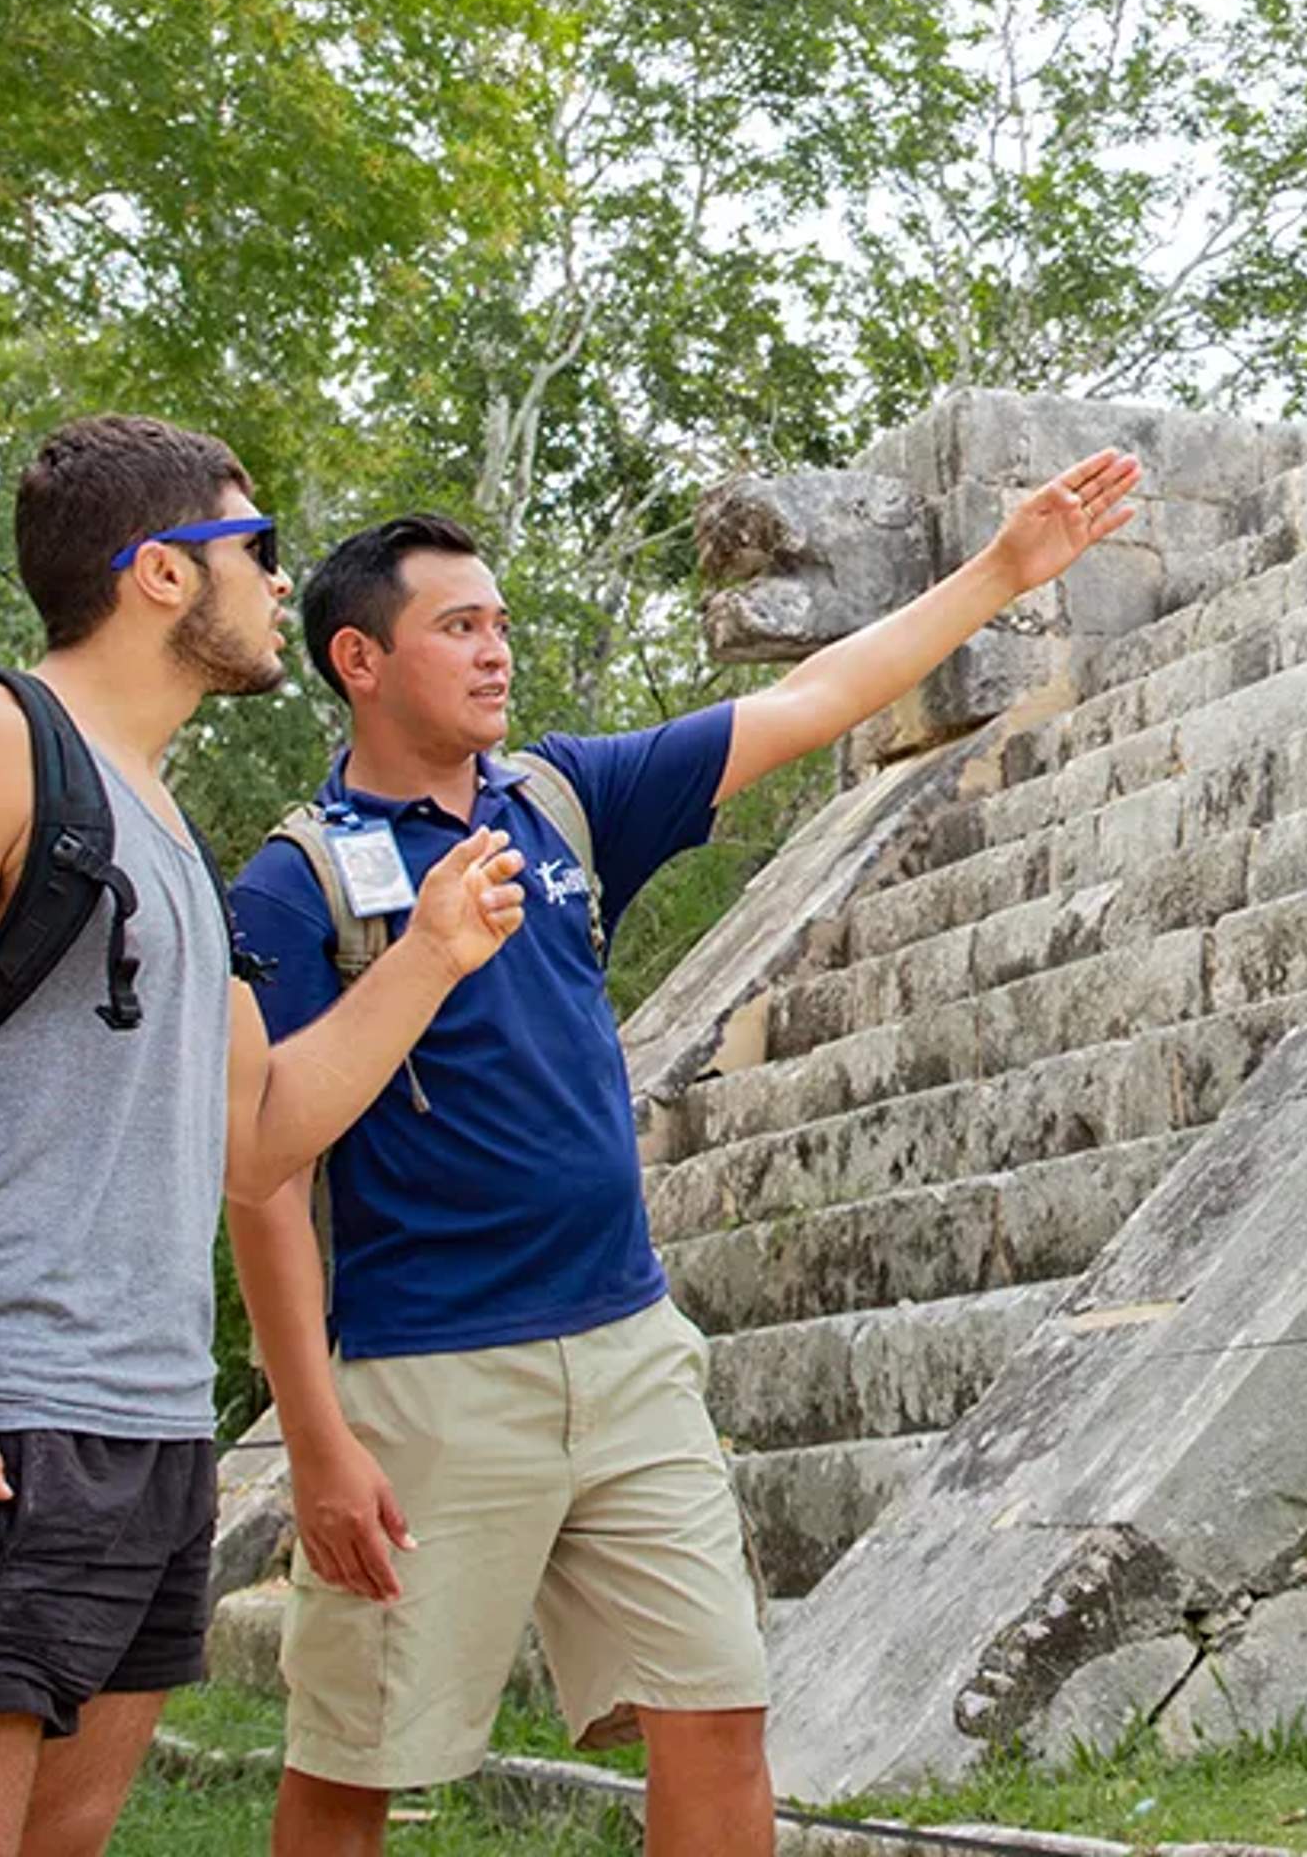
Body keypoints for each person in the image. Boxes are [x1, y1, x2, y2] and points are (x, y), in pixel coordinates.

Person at [230, 449, 1144, 1857]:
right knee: (361, 1765)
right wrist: (316, 1438)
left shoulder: (562, 802)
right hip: (427, 1376)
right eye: (456, 627)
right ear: (359, 659)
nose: (494, 650)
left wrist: (1001, 575)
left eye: (501, 622)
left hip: (631, 1348)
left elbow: (805, 699)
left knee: (718, 1711)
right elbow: (266, 1172)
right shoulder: (293, 884)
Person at [0, 414, 537, 1857]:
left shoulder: (172, 827)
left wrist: (431, 958)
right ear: (161, 576)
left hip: (149, 1432)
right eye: (253, 550)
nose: (275, 584)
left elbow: (259, 1141)